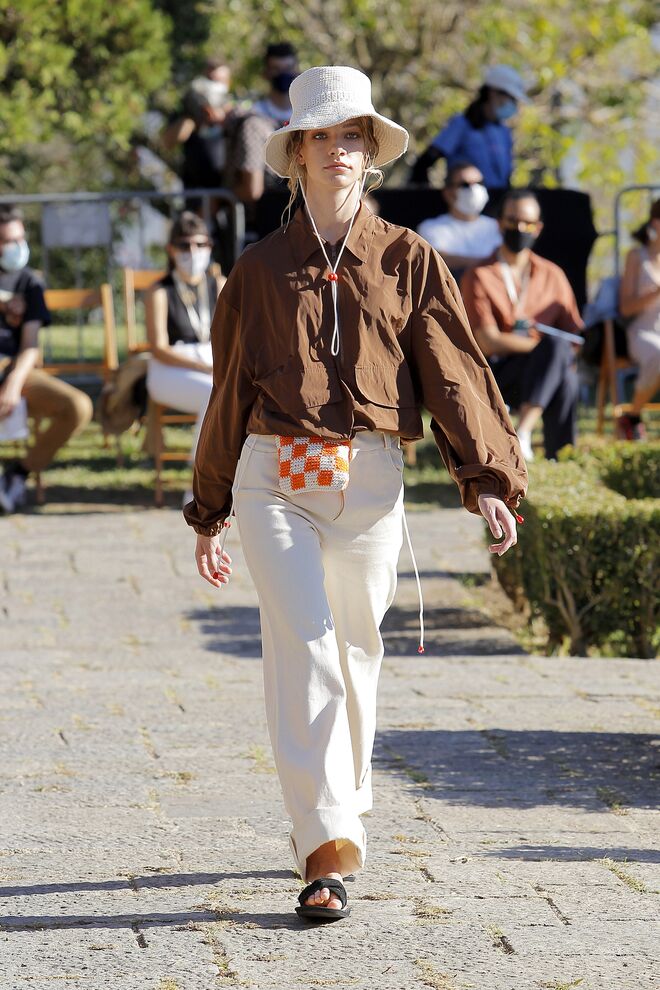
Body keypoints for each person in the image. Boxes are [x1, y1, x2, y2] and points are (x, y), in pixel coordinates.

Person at [184, 66, 526, 922]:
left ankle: (339, 803)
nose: (338, 149)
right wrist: (210, 508)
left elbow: (453, 373)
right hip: (275, 479)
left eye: (352, 135)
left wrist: (486, 479)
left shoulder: (410, 258)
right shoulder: (257, 271)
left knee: (356, 652)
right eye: (321, 136)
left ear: (369, 153)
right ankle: (324, 848)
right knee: (304, 649)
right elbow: (229, 393)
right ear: (296, 154)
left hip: (371, 480)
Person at [461, 189, 583, 461]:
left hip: (545, 372)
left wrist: (554, 351)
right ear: (499, 223)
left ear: (538, 228)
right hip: (497, 372)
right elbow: (487, 341)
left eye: (527, 223)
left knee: (565, 373)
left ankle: (539, 443)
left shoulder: (553, 274)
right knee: (556, 351)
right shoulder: (479, 274)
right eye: (512, 221)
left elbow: (573, 335)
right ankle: (553, 450)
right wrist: (544, 347)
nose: (519, 229)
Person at [0, 205, 93, 513]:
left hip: (15, 368)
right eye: (7, 241)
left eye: (20, 239)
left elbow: (30, 345)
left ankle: (17, 474)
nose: (16, 247)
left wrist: (13, 385)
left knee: (78, 406)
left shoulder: (30, 283)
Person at [145, 212, 225, 498]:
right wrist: (203, 368)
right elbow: (159, 348)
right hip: (170, 369)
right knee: (212, 393)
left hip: (211, 364)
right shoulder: (159, 291)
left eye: (200, 244)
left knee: (230, 393)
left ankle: (227, 478)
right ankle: (199, 482)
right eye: (184, 245)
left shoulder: (219, 284)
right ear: (171, 249)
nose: (193, 252)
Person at [409, 65, 529, 188]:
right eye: (511, 98)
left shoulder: (504, 132)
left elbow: (506, 177)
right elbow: (425, 162)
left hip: (497, 198)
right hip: (466, 199)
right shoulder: (461, 124)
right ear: (493, 92)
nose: (514, 104)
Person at [227, 42, 300, 209]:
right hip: (267, 208)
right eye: (276, 69)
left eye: (288, 68)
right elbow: (252, 189)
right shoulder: (254, 117)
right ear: (265, 73)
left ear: (296, 70)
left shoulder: (308, 115)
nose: (283, 74)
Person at [617, 198, 660, 441]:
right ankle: (632, 416)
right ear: (655, 222)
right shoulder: (636, 256)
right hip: (642, 333)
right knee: (658, 355)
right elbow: (625, 308)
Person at [162, 57, 235, 197]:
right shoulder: (187, 110)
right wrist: (193, 118)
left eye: (219, 80)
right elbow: (167, 142)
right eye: (210, 79)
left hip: (227, 193)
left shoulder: (235, 111)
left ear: (228, 82)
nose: (213, 85)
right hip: (195, 192)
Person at [416, 161, 502, 279]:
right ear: (448, 193)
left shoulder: (497, 227)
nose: (474, 189)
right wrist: (492, 263)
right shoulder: (430, 228)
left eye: (479, 183)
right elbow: (438, 260)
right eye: (465, 185)